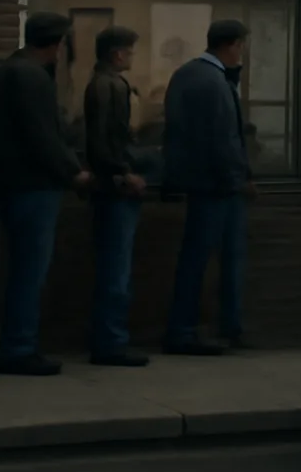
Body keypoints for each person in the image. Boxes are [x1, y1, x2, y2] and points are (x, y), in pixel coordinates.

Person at [0, 12, 93, 376]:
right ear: (57, 44)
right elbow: (43, 136)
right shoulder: (31, 77)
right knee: (30, 270)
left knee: (24, 268)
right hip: (33, 186)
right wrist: (73, 172)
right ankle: (19, 348)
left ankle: (18, 344)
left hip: (12, 184)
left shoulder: (8, 72)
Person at [162, 20, 253, 356]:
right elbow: (223, 139)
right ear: (233, 45)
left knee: (197, 257)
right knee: (211, 258)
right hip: (217, 185)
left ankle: (194, 327)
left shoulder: (187, 74)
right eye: (241, 46)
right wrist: (238, 179)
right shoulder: (213, 81)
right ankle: (195, 330)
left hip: (199, 181)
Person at [84, 25, 155, 367]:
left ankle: (109, 340)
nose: (132, 58)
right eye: (130, 52)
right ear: (117, 54)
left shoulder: (99, 83)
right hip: (115, 189)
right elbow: (108, 140)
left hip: (108, 186)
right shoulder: (111, 85)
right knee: (116, 269)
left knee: (112, 267)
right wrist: (124, 172)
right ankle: (111, 342)